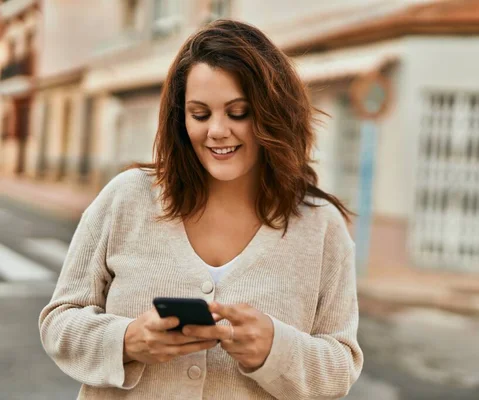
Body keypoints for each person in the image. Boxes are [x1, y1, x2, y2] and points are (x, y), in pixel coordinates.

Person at [39, 19, 363, 399]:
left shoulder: (320, 227)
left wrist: (276, 350)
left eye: (238, 112)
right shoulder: (127, 199)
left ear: (272, 113)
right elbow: (58, 322)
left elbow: (341, 366)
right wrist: (127, 340)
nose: (217, 130)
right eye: (200, 114)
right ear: (181, 118)